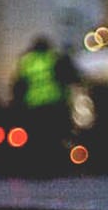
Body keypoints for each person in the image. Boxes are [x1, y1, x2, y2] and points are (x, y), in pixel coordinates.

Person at [12, 35, 76, 171]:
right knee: (53, 139)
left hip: (32, 107)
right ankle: (54, 166)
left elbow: (19, 84)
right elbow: (70, 77)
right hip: (54, 106)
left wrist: (18, 105)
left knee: (37, 140)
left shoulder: (26, 61)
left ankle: (37, 166)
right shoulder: (55, 58)